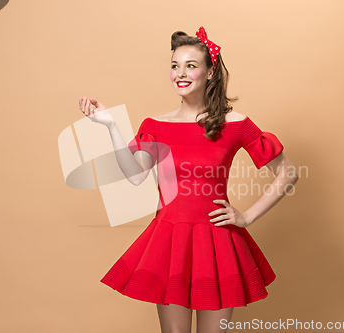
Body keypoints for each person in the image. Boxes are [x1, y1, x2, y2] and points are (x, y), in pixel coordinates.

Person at [79, 26, 299, 333]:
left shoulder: (236, 124)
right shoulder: (155, 125)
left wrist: (246, 216)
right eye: (174, 65)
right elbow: (134, 176)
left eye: (191, 65)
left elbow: (288, 173)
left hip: (218, 242)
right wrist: (111, 126)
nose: (180, 73)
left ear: (210, 73)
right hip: (170, 243)